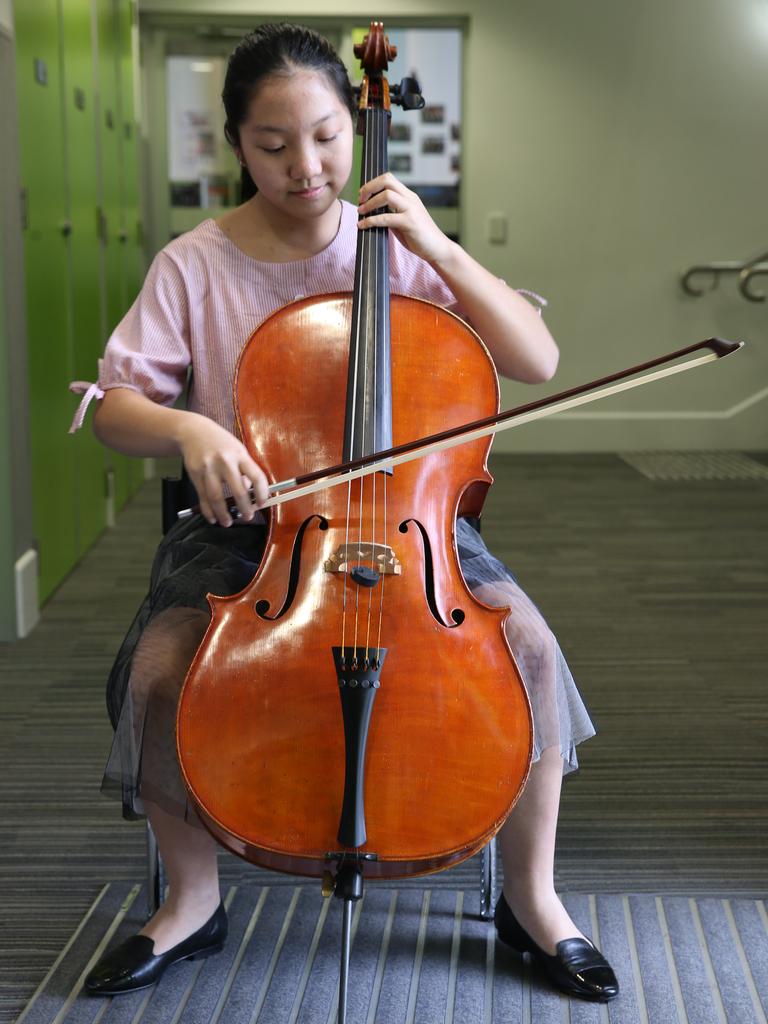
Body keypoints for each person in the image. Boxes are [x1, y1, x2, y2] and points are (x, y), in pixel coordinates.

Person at [70, 23, 618, 1003]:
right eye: (273, 142)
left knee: (528, 645)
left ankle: (532, 897)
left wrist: (437, 244)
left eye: (325, 136)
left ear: (352, 126)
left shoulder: (400, 251)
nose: (305, 165)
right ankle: (191, 899)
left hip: (414, 528)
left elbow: (534, 362)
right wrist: (191, 431)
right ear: (237, 142)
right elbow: (115, 410)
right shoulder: (193, 263)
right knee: (159, 668)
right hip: (252, 528)